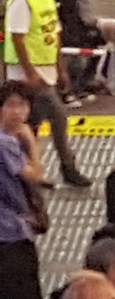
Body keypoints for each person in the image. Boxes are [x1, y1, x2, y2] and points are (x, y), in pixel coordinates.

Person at [3, 0, 91, 187]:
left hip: (46, 71)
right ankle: (66, 168)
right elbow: (18, 38)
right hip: (27, 75)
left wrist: (59, 68)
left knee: (32, 124)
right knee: (56, 117)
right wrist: (30, 73)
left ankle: (30, 169)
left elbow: (53, 33)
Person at [0, 81, 45, 299]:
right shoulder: (5, 142)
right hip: (11, 232)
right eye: (11, 105)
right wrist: (30, 140)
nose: (18, 112)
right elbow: (35, 173)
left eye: (23, 105)